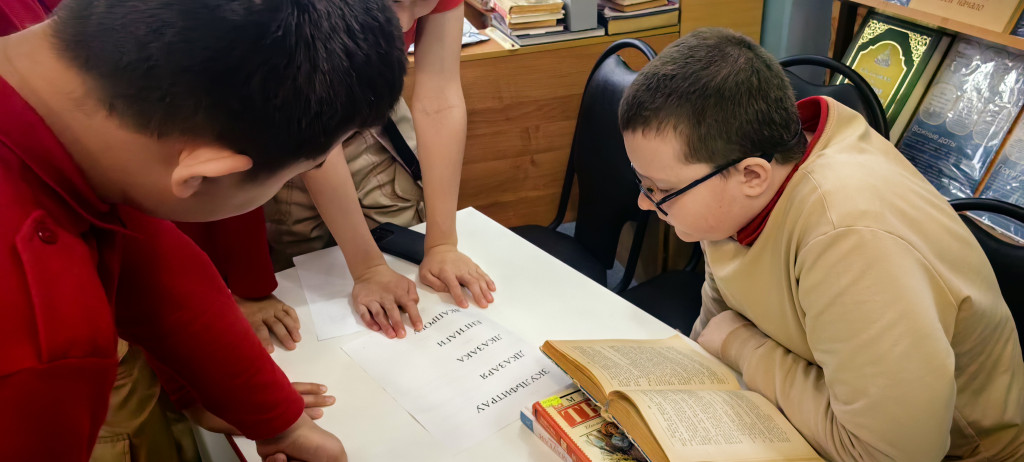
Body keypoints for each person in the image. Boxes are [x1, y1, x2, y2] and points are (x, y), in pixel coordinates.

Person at [0, 0, 408, 459]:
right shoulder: (37, 351)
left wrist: (274, 416)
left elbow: (152, 262)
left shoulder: (69, 122)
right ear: (203, 175)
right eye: (303, 170)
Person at [620, 28, 1024, 461]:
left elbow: (888, 454)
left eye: (661, 189)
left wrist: (743, 347)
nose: (644, 202)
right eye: (644, 183)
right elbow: (719, 326)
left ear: (752, 175)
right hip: (815, 407)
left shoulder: (853, 237)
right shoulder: (732, 190)